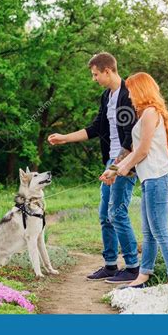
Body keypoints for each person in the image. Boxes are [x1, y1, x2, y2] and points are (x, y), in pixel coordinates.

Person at [48, 52, 140, 284]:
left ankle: (132, 267)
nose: (94, 78)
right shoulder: (106, 96)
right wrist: (65, 138)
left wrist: (118, 166)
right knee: (104, 215)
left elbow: (132, 136)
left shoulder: (129, 93)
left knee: (117, 213)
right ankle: (110, 265)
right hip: (110, 162)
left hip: (125, 163)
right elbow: (96, 128)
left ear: (108, 71)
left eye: (95, 74)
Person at [100, 72, 168, 287]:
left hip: (157, 178)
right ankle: (143, 276)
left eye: (133, 90)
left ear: (142, 90)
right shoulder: (145, 113)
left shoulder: (151, 113)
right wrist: (115, 169)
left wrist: (116, 170)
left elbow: (142, 150)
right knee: (149, 233)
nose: (130, 94)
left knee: (160, 231)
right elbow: (134, 150)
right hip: (150, 179)